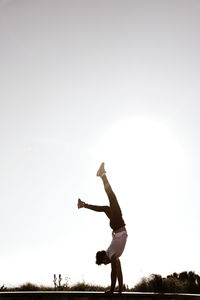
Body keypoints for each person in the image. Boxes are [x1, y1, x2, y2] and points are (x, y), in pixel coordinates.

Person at [78, 162, 128, 294]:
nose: (107, 264)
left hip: (118, 225)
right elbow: (119, 272)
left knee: (111, 197)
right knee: (107, 207)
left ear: (104, 258)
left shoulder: (111, 254)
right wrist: (120, 290)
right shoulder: (114, 256)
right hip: (117, 226)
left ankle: (102, 175)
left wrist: (112, 290)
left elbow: (113, 273)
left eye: (104, 263)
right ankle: (83, 204)